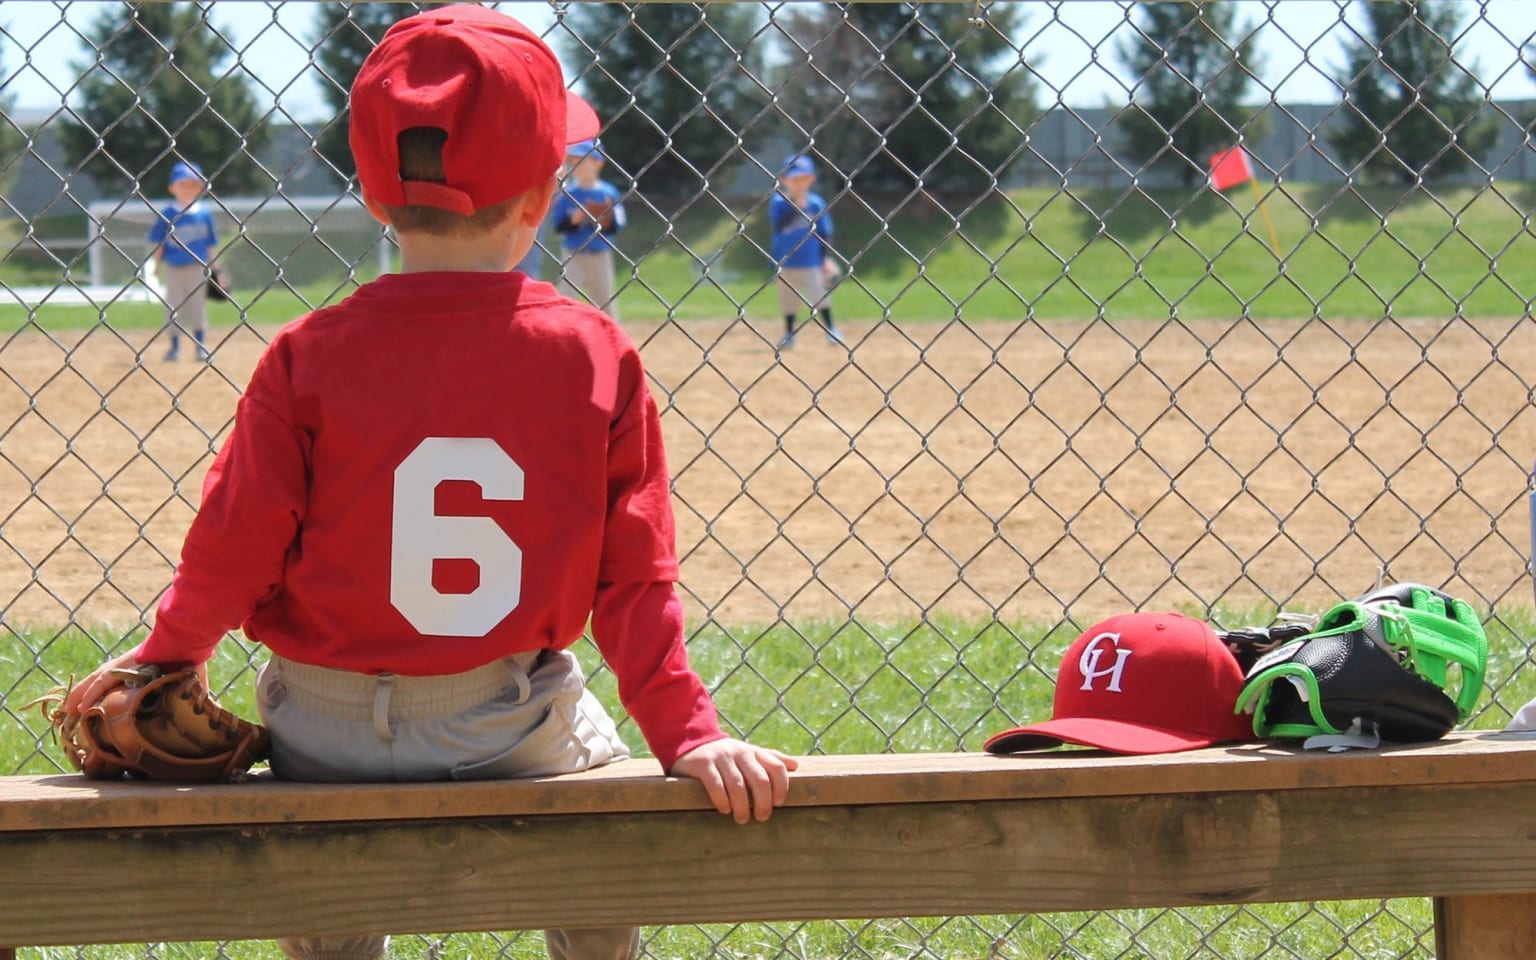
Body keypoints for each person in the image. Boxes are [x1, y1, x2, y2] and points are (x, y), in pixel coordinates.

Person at [64, 7, 796, 960]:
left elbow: (233, 540)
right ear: (542, 197)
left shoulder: (304, 354)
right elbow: (634, 577)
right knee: (600, 813)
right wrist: (687, 731)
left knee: (323, 899)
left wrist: (167, 657)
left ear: (374, 192)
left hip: (322, 732)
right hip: (505, 721)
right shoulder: (592, 352)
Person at [769, 153, 844, 350]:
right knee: (788, 299)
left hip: (812, 260)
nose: (799, 183)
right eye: (794, 179)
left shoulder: (816, 203)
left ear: (811, 179)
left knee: (820, 295)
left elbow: (825, 234)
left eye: (803, 178)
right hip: (787, 261)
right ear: (784, 180)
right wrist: (796, 206)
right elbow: (779, 225)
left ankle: (831, 330)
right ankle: (789, 333)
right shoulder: (778, 202)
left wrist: (825, 259)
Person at [147, 160, 219, 361]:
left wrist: (216, 268)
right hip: (174, 267)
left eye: (193, 185)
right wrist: (155, 266)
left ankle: (200, 346)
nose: (188, 189)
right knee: (173, 306)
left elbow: (210, 244)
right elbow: (159, 243)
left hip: (197, 267)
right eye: (183, 185)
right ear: (172, 188)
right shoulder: (168, 214)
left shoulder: (203, 214)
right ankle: (174, 347)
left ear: (200, 188)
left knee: (197, 306)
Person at [552, 139, 625, 319]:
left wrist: (605, 220)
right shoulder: (567, 193)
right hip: (572, 254)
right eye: (574, 162)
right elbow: (559, 226)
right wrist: (573, 221)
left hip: (600, 254)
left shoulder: (608, 192)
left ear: (598, 163)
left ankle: (610, 337)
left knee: (604, 301)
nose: (577, 166)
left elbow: (618, 225)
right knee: (567, 297)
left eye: (582, 161)